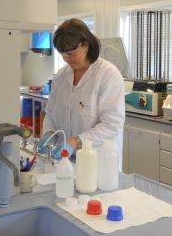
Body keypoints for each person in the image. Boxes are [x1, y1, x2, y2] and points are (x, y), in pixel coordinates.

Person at [41, 18, 125, 160]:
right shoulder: (61, 76)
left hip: (98, 160)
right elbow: (50, 113)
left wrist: (76, 142)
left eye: (71, 53)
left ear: (86, 45)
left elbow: (111, 125)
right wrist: (49, 133)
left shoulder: (108, 75)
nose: (67, 58)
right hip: (65, 159)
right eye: (63, 54)